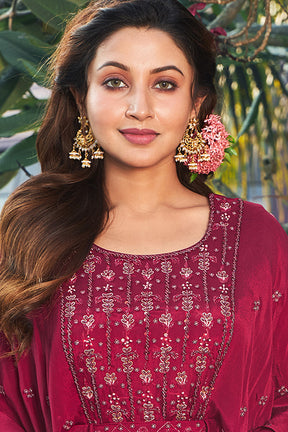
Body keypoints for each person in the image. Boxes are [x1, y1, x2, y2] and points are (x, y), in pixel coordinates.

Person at [0, 0, 287, 431]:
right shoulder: (33, 232)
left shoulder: (256, 236)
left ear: (196, 103)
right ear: (81, 98)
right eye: (115, 82)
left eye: (165, 85)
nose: (139, 107)